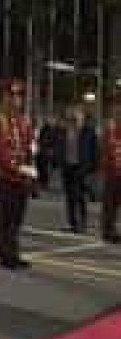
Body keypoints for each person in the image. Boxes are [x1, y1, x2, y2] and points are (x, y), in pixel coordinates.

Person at [0, 79, 36, 270]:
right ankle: (5, 255)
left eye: (19, 96)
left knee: (17, 219)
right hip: (8, 177)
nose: (16, 99)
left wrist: (32, 167)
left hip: (22, 178)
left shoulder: (24, 121)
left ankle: (14, 253)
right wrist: (17, 168)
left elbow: (30, 146)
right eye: (12, 95)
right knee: (6, 218)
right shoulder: (0, 121)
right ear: (6, 98)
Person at [53, 107, 97, 233]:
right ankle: (72, 223)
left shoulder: (88, 131)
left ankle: (82, 223)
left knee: (79, 196)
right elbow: (59, 146)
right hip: (67, 167)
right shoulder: (64, 131)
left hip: (81, 167)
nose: (73, 119)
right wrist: (58, 161)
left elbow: (94, 150)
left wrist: (92, 168)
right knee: (70, 196)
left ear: (81, 118)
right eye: (71, 118)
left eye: (76, 117)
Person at [100, 99, 121, 243]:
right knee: (109, 204)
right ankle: (108, 231)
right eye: (117, 113)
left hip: (117, 172)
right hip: (112, 172)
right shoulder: (110, 130)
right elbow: (105, 151)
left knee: (114, 204)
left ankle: (111, 230)